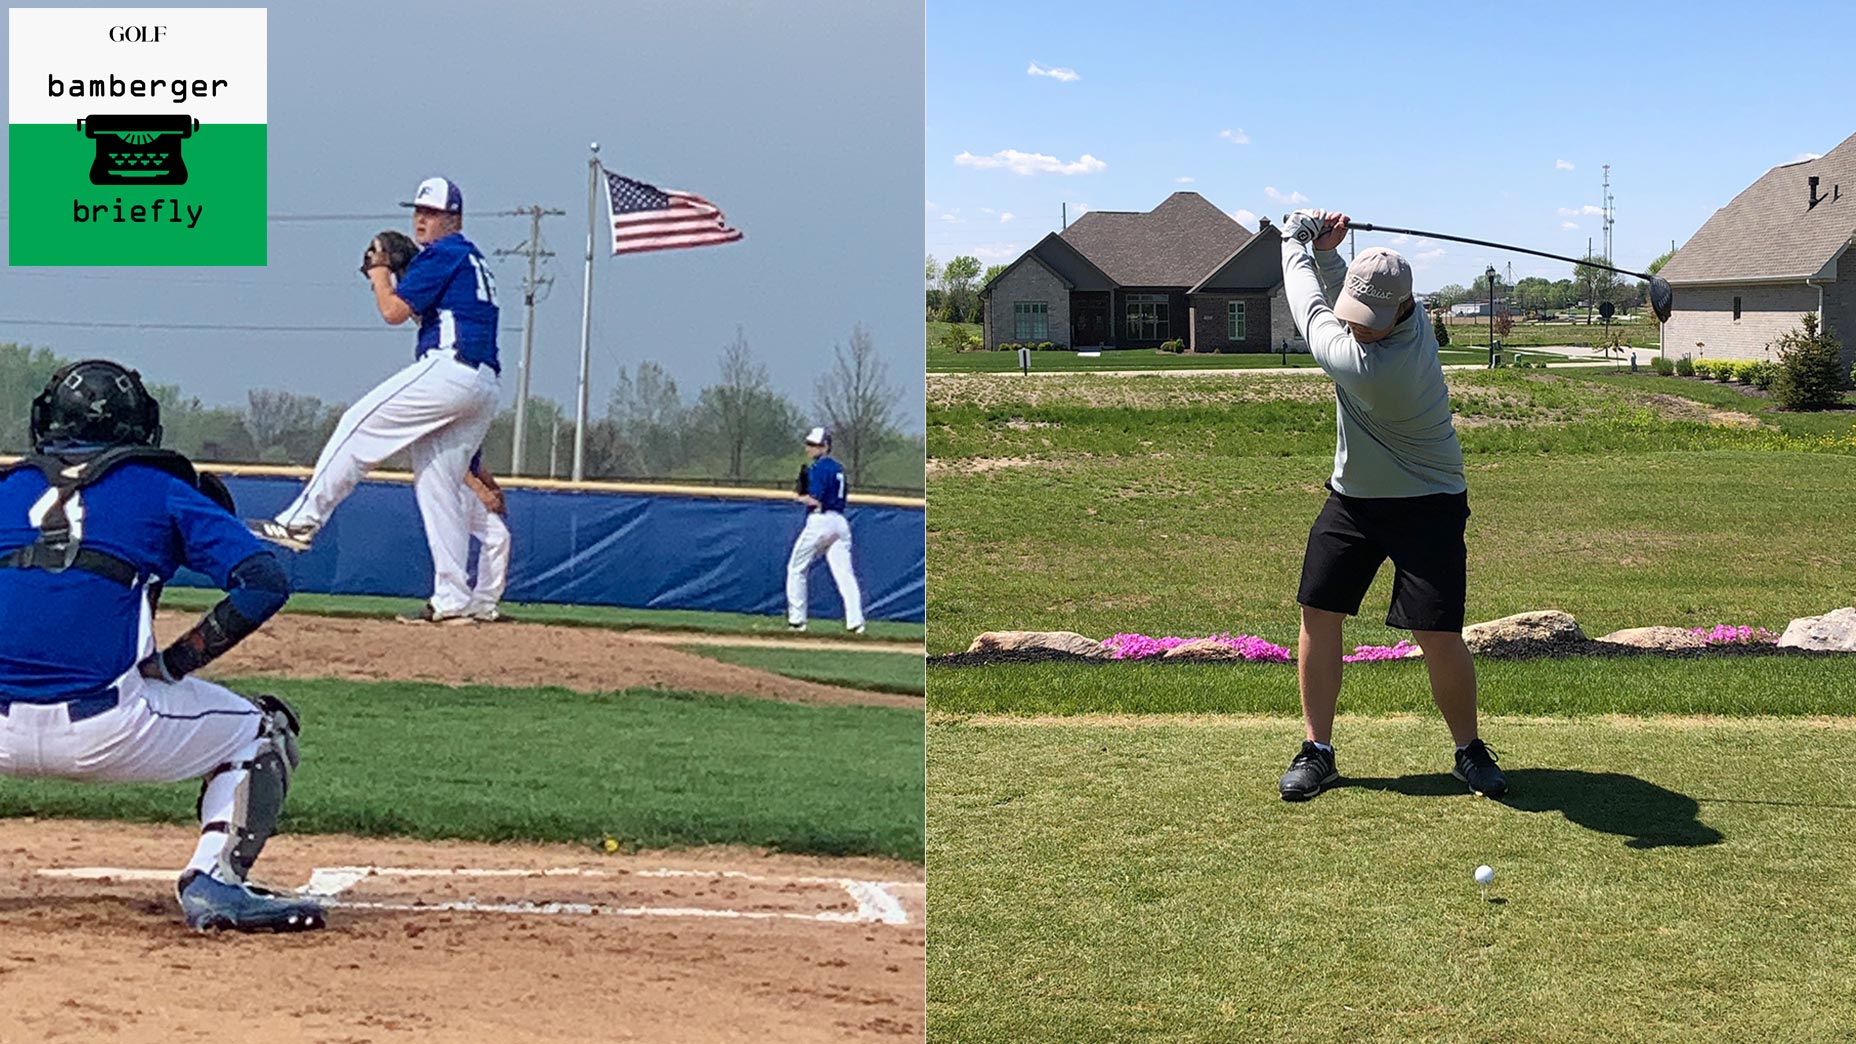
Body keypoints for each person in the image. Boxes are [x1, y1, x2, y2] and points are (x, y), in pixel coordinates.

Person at [0, 360, 325, 932]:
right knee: (262, 728)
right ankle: (216, 881)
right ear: (141, 426)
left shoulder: (7, 488)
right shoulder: (162, 489)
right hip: (107, 727)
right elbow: (264, 581)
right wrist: (175, 663)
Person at [1273, 208, 1507, 801]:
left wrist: (1294, 240)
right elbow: (1334, 290)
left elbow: (1308, 305)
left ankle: (1468, 749)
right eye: (1359, 316)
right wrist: (1329, 253)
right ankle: (1317, 749)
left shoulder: (1376, 366)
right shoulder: (1405, 314)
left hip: (1427, 502)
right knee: (1318, 613)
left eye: (1373, 320)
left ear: (1406, 310)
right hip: (1352, 500)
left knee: (1438, 633)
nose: (1363, 328)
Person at [249, 176, 501, 624]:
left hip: (451, 369)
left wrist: (380, 275)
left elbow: (392, 312)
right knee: (437, 486)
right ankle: (453, 598)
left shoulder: (447, 252)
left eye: (433, 213)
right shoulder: (469, 259)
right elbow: (429, 310)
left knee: (357, 423)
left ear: (454, 219)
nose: (421, 219)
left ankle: (301, 520)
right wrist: (402, 276)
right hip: (482, 384)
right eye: (418, 211)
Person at [401, 449, 511, 624]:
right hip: (454, 486)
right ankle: (445, 604)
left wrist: (491, 486)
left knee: (499, 537)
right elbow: (455, 462)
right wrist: (481, 489)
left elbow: (474, 463)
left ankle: (483, 605)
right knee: (454, 544)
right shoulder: (453, 426)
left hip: (470, 488)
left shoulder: (474, 425)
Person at [786, 427, 865, 634]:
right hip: (839, 522)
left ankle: (797, 621)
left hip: (820, 521)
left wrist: (799, 496)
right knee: (845, 575)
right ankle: (856, 622)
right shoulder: (838, 468)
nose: (810, 448)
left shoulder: (819, 468)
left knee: (796, 568)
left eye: (815, 445)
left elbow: (815, 500)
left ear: (826, 446)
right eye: (810, 444)